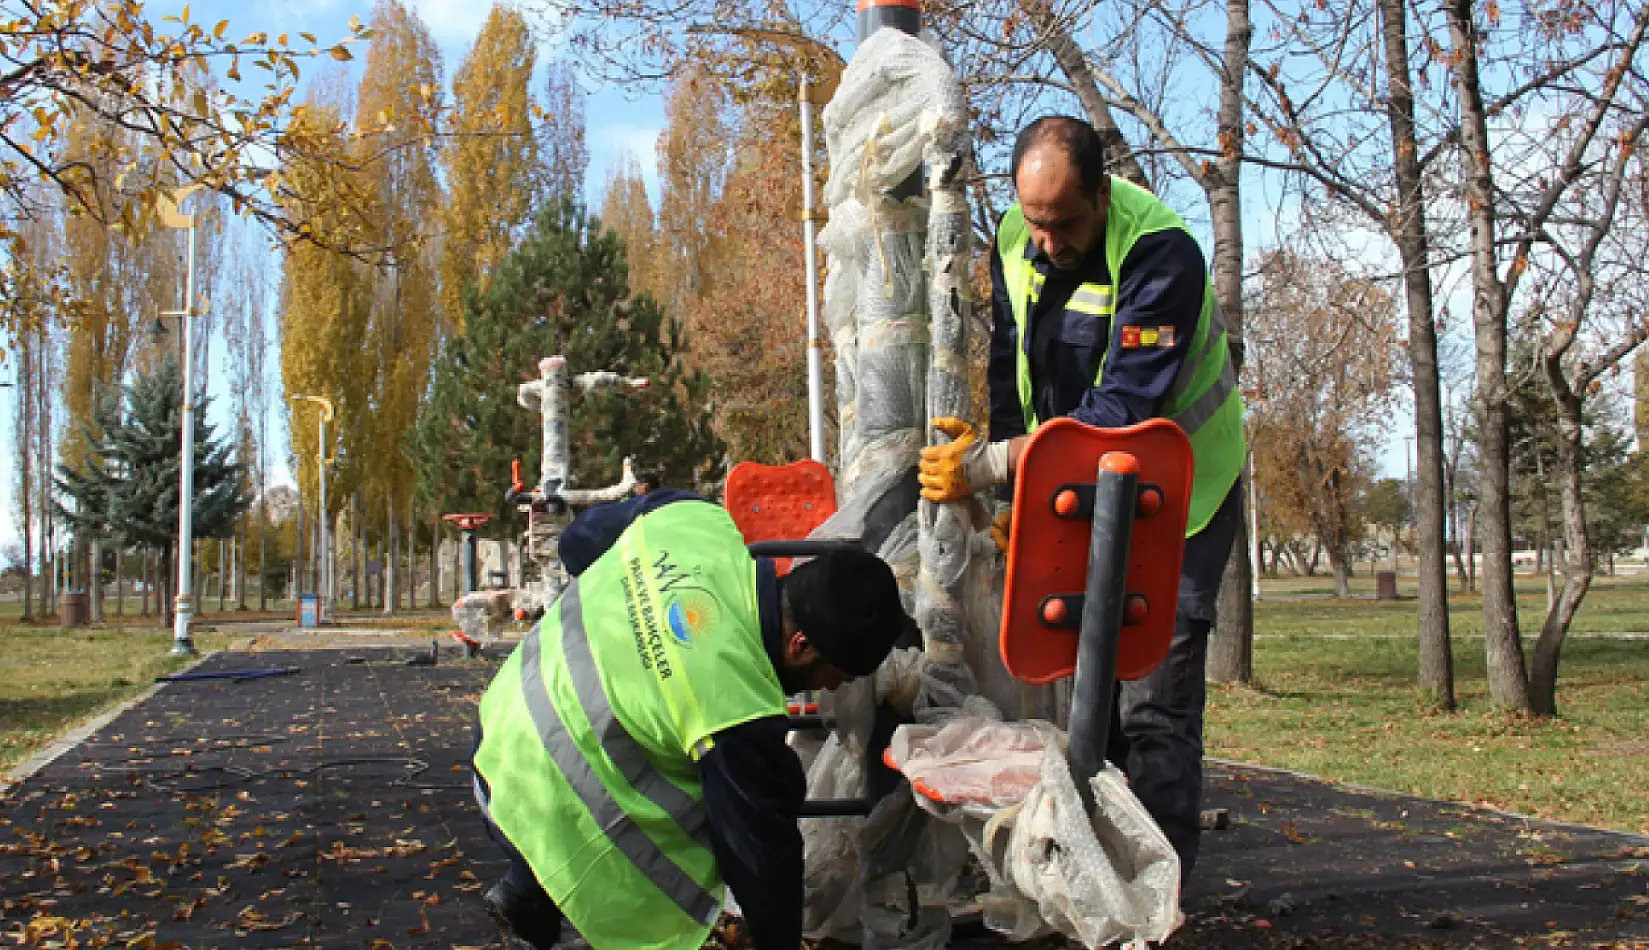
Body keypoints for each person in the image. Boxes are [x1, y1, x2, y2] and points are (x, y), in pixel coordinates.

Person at [917, 116, 1245, 879]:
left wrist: (992, 467)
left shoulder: (1161, 256)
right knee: (1076, 700)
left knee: (1153, 706)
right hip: (1069, 490)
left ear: (1102, 194)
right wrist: (1008, 509)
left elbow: (1123, 417)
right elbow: (1009, 367)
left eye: (1063, 224)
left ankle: (1154, 901)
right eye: (1033, 221)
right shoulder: (1012, 237)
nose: (1045, 242)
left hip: (1179, 498)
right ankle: (1091, 879)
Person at [472, 488, 911, 950]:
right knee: (741, 794)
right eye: (835, 677)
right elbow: (760, 857)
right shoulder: (735, 706)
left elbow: (578, 542)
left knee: (649, 737)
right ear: (801, 645)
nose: (833, 690)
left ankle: (524, 891)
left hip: (498, 741)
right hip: (542, 808)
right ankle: (558, 896)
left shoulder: (694, 521)